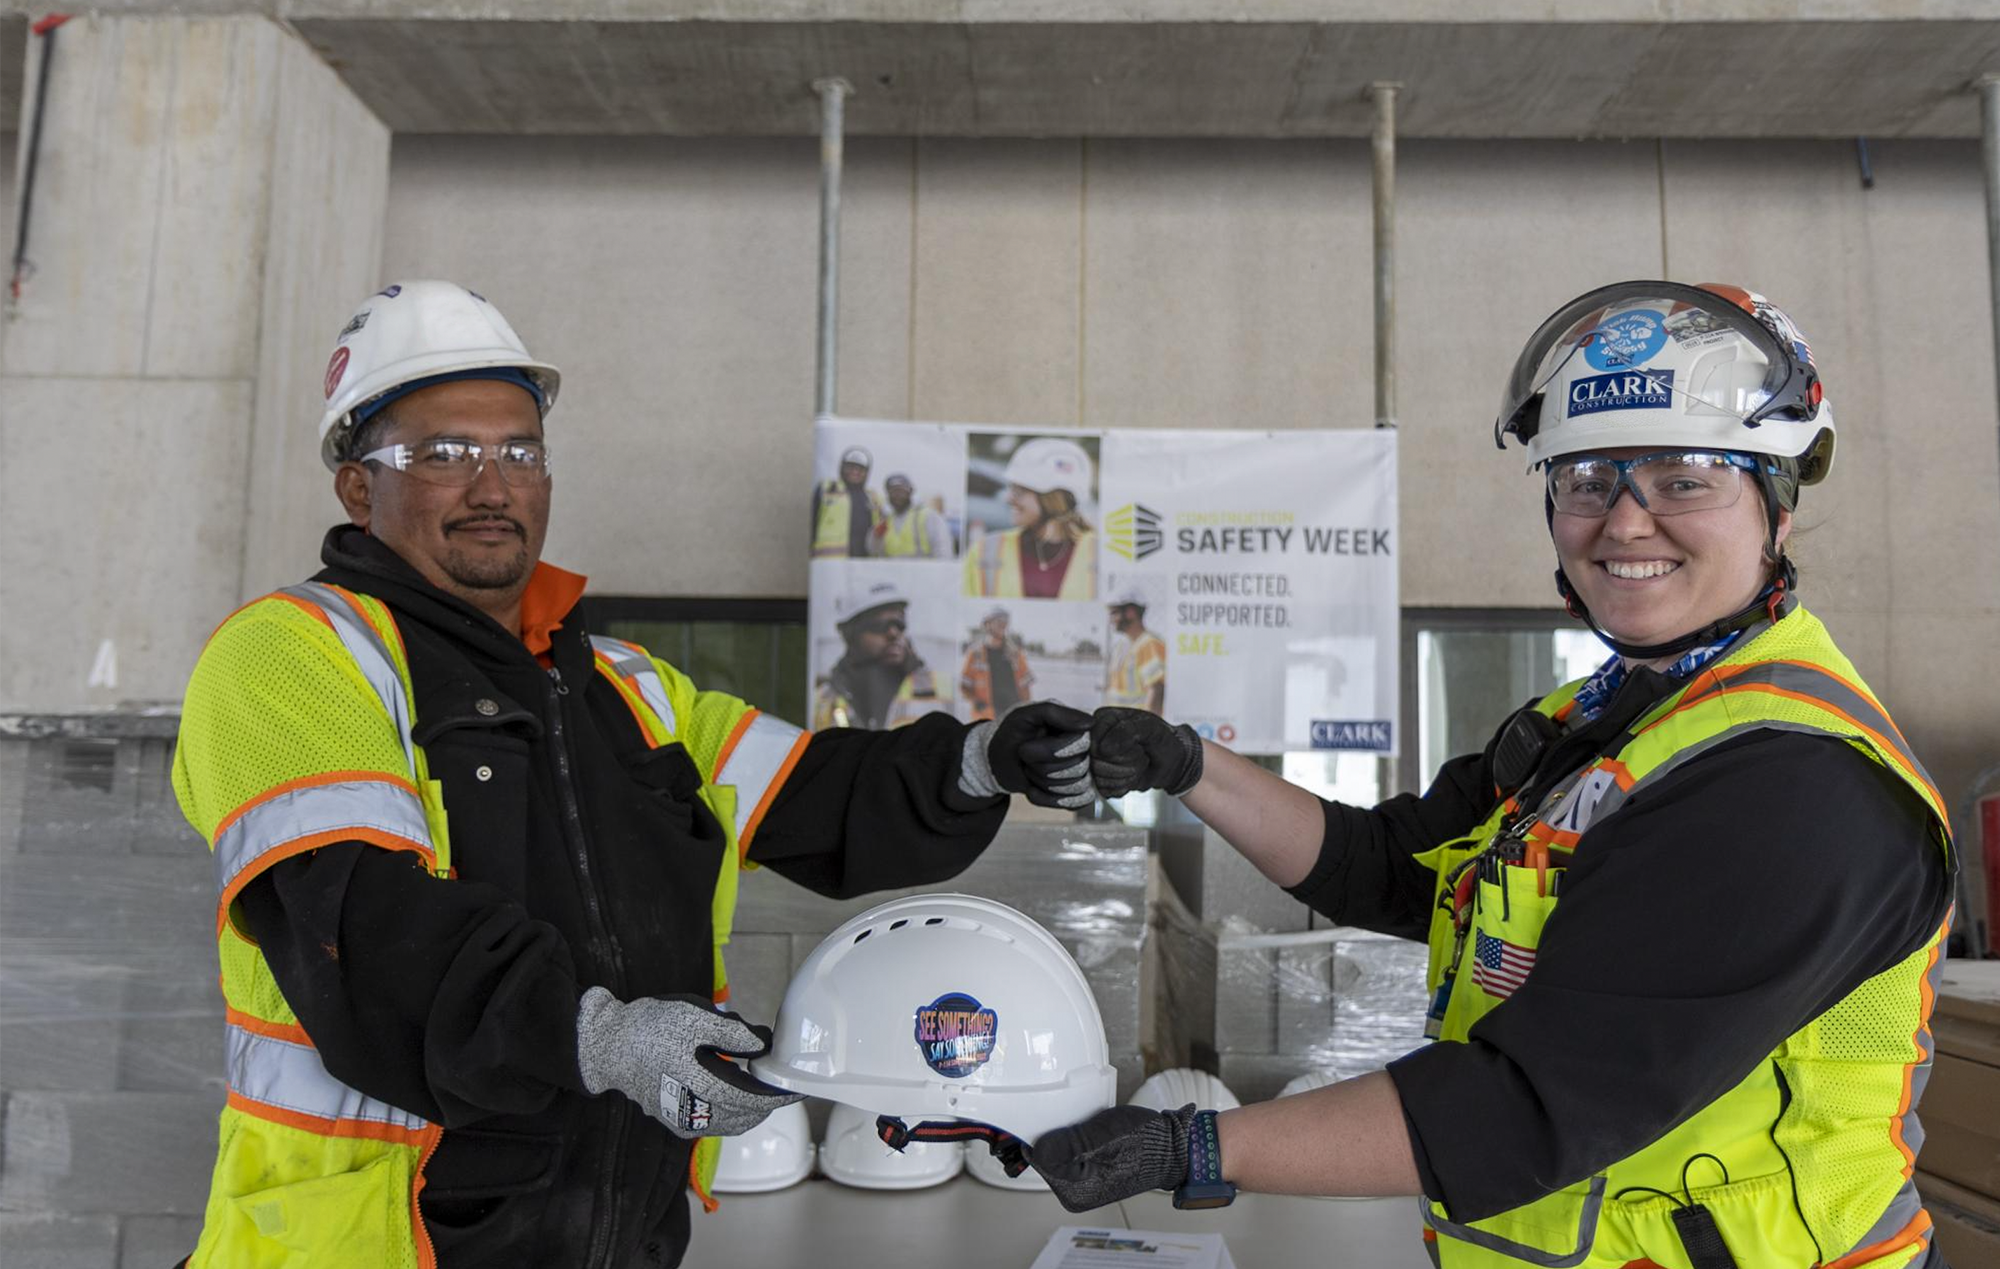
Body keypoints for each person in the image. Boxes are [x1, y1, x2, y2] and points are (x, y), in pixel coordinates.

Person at [168, 280, 1099, 1269]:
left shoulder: (618, 685)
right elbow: (367, 927)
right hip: (376, 1241)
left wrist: (984, 757)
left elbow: (818, 791)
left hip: (614, 1232)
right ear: (358, 487)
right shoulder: (295, 655)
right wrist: (601, 1038)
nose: (494, 485)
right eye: (443, 454)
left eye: (520, 450)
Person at [1031, 282, 1957, 1269]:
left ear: (1775, 505)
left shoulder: (1793, 785)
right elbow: (1388, 866)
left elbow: (1533, 1104)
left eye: (1684, 478)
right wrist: (1187, 764)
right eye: (1586, 478)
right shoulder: (1592, 720)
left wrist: (1192, 1147)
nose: (1624, 523)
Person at [964, 436, 1097, 599]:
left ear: (1054, 499)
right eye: (1011, 489)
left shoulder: (1100, 554)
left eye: (1019, 492)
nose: (1009, 499)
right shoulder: (985, 551)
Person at [810, 580, 951, 730]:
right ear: (850, 635)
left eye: (899, 624)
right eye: (878, 625)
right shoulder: (823, 698)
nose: (893, 633)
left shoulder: (942, 688)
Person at [960, 607, 1036, 721]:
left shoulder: (1016, 654)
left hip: (1013, 716)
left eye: (1005, 622)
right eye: (998, 621)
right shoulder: (975, 654)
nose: (1003, 624)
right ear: (987, 624)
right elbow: (964, 685)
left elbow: (1026, 687)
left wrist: (1026, 712)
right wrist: (976, 702)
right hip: (986, 718)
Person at [1102, 587, 1166, 715]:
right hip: (1120, 725)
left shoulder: (1149, 644)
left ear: (1130, 612)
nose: (1111, 619)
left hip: (1137, 728)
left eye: (1114, 613)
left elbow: (1156, 688)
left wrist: (1149, 728)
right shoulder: (1122, 646)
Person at [810, 444, 880, 558]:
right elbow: (811, 524)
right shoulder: (826, 489)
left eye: (860, 469)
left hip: (863, 563)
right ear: (842, 467)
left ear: (867, 473)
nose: (855, 472)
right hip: (830, 563)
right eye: (850, 467)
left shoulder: (873, 498)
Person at [870, 472, 953, 559]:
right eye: (893, 491)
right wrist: (876, 535)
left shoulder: (928, 516)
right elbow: (873, 550)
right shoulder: (886, 521)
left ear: (910, 492)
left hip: (923, 571)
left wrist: (941, 570)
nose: (897, 495)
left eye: (902, 491)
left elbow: (943, 550)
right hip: (891, 571)